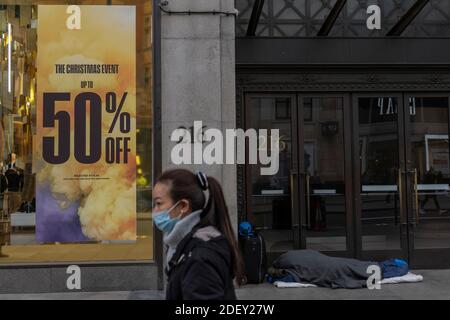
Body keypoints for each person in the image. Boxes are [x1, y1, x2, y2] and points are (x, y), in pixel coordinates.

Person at [152, 169, 245, 300]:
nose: (155, 211)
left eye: (159, 203)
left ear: (183, 205)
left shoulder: (199, 257)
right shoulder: (182, 245)